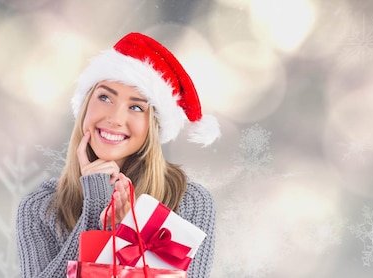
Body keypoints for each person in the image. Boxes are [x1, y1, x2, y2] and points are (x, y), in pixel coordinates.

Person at [16, 32, 220, 278]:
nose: (114, 119)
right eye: (104, 97)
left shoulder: (188, 202)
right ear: (85, 106)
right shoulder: (41, 208)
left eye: (136, 107)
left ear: (153, 125)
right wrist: (96, 205)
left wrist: (131, 232)